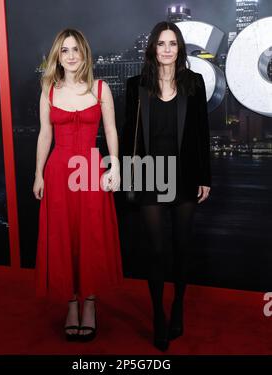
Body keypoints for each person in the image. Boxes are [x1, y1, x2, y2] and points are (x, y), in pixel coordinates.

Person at [122, 21, 211, 351]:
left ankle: (178, 306)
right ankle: (158, 314)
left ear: (180, 48)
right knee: (156, 251)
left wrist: (206, 178)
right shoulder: (137, 86)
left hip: (186, 176)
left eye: (173, 43)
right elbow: (129, 132)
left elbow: (202, 133)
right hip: (148, 176)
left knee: (181, 249)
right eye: (161, 43)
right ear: (153, 49)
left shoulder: (194, 83)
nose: (167, 49)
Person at [33, 28, 123, 342]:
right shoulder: (49, 90)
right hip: (58, 173)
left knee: (91, 238)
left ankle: (91, 304)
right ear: (58, 56)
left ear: (84, 54)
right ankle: (72, 303)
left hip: (91, 173)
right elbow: (45, 134)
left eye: (76, 50)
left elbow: (111, 130)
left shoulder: (100, 89)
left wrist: (116, 167)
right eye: (65, 50)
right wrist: (38, 174)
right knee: (64, 238)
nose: (71, 56)